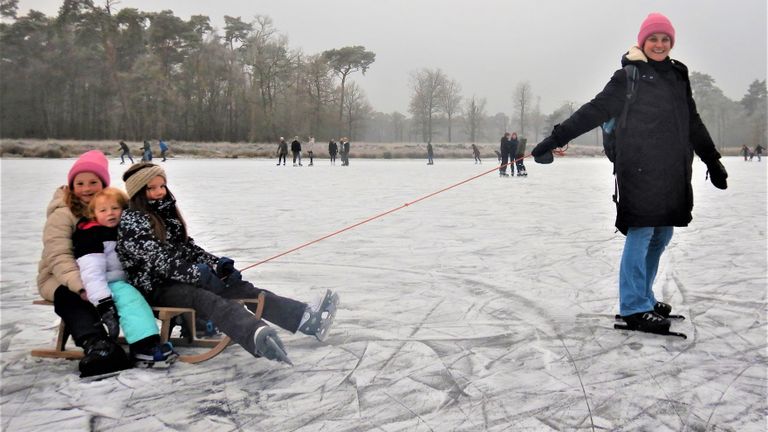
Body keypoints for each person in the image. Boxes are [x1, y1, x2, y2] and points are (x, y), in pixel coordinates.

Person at [531, 12, 728, 334]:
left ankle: (644, 297)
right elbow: (593, 111)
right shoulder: (628, 76)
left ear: (671, 43)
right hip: (637, 167)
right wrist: (555, 139)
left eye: (665, 39)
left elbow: (692, 120)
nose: (660, 44)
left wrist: (712, 160)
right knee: (641, 231)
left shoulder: (678, 75)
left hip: (674, 168)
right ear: (643, 41)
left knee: (663, 233)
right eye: (654, 39)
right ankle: (633, 306)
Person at [116, 163, 340, 364]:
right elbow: (160, 263)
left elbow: (189, 249)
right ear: (138, 192)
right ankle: (254, 334)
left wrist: (217, 265)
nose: (159, 192)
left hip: (183, 277)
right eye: (151, 188)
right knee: (205, 298)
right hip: (156, 288)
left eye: (162, 186)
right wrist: (198, 274)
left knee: (241, 288)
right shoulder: (132, 222)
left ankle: (304, 319)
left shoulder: (166, 214)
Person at [37, 150, 132, 377]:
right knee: (69, 297)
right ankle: (96, 343)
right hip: (61, 277)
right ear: (71, 185)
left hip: (104, 272)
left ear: (103, 184)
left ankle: (149, 337)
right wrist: (81, 285)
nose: (86, 188)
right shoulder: (63, 213)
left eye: (93, 182)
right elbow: (58, 256)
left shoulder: (108, 208)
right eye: (80, 183)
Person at [73, 187, 178, 367]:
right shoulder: (91, 235)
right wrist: (103, 301)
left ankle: (191, 323)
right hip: (107, 284)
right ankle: (143, 346)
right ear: (94, 214)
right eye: (103, 210)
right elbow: (92, 273)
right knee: (131, 300)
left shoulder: (124, 231)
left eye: (115, 208)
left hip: (125, 280)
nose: (110, 213)